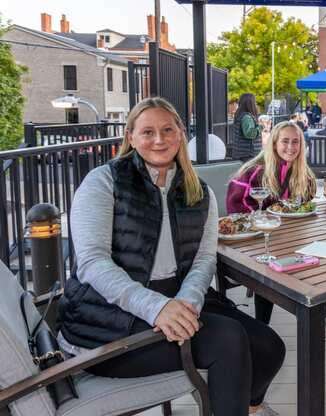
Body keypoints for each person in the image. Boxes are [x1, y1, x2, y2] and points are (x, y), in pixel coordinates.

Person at [57, 97, 285, 416]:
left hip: (177, 295)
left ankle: (246, 407)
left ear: (180, 134)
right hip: (108, 319)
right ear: (131, 136)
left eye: (168, 129)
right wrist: (157, 308)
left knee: (270, 347)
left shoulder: (198, 192)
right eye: (147, 131)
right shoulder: (103, 182)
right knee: (227, 341)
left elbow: (204, 260)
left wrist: (187, 303)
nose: (159, 139)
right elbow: (93, 264)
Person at [225, 122, 326, 340]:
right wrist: (263, 218)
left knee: (315, 257)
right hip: (256, 239)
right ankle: (264, 326)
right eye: (285, 141)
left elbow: (305, 202)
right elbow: (236, 209)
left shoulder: (301, 172)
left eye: (296, 141)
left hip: (289, 237)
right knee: (270, 265)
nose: (291, 147)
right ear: (274, 143)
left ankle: (313, 315)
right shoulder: (254, 171)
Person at [232, 93, 263, 162]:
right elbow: (249, 134)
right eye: (255, 102)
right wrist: (260, 127)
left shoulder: (240, 115)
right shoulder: (247, 117)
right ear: (250, 103)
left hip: (242, 154)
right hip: (248, 155)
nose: (256, 104)